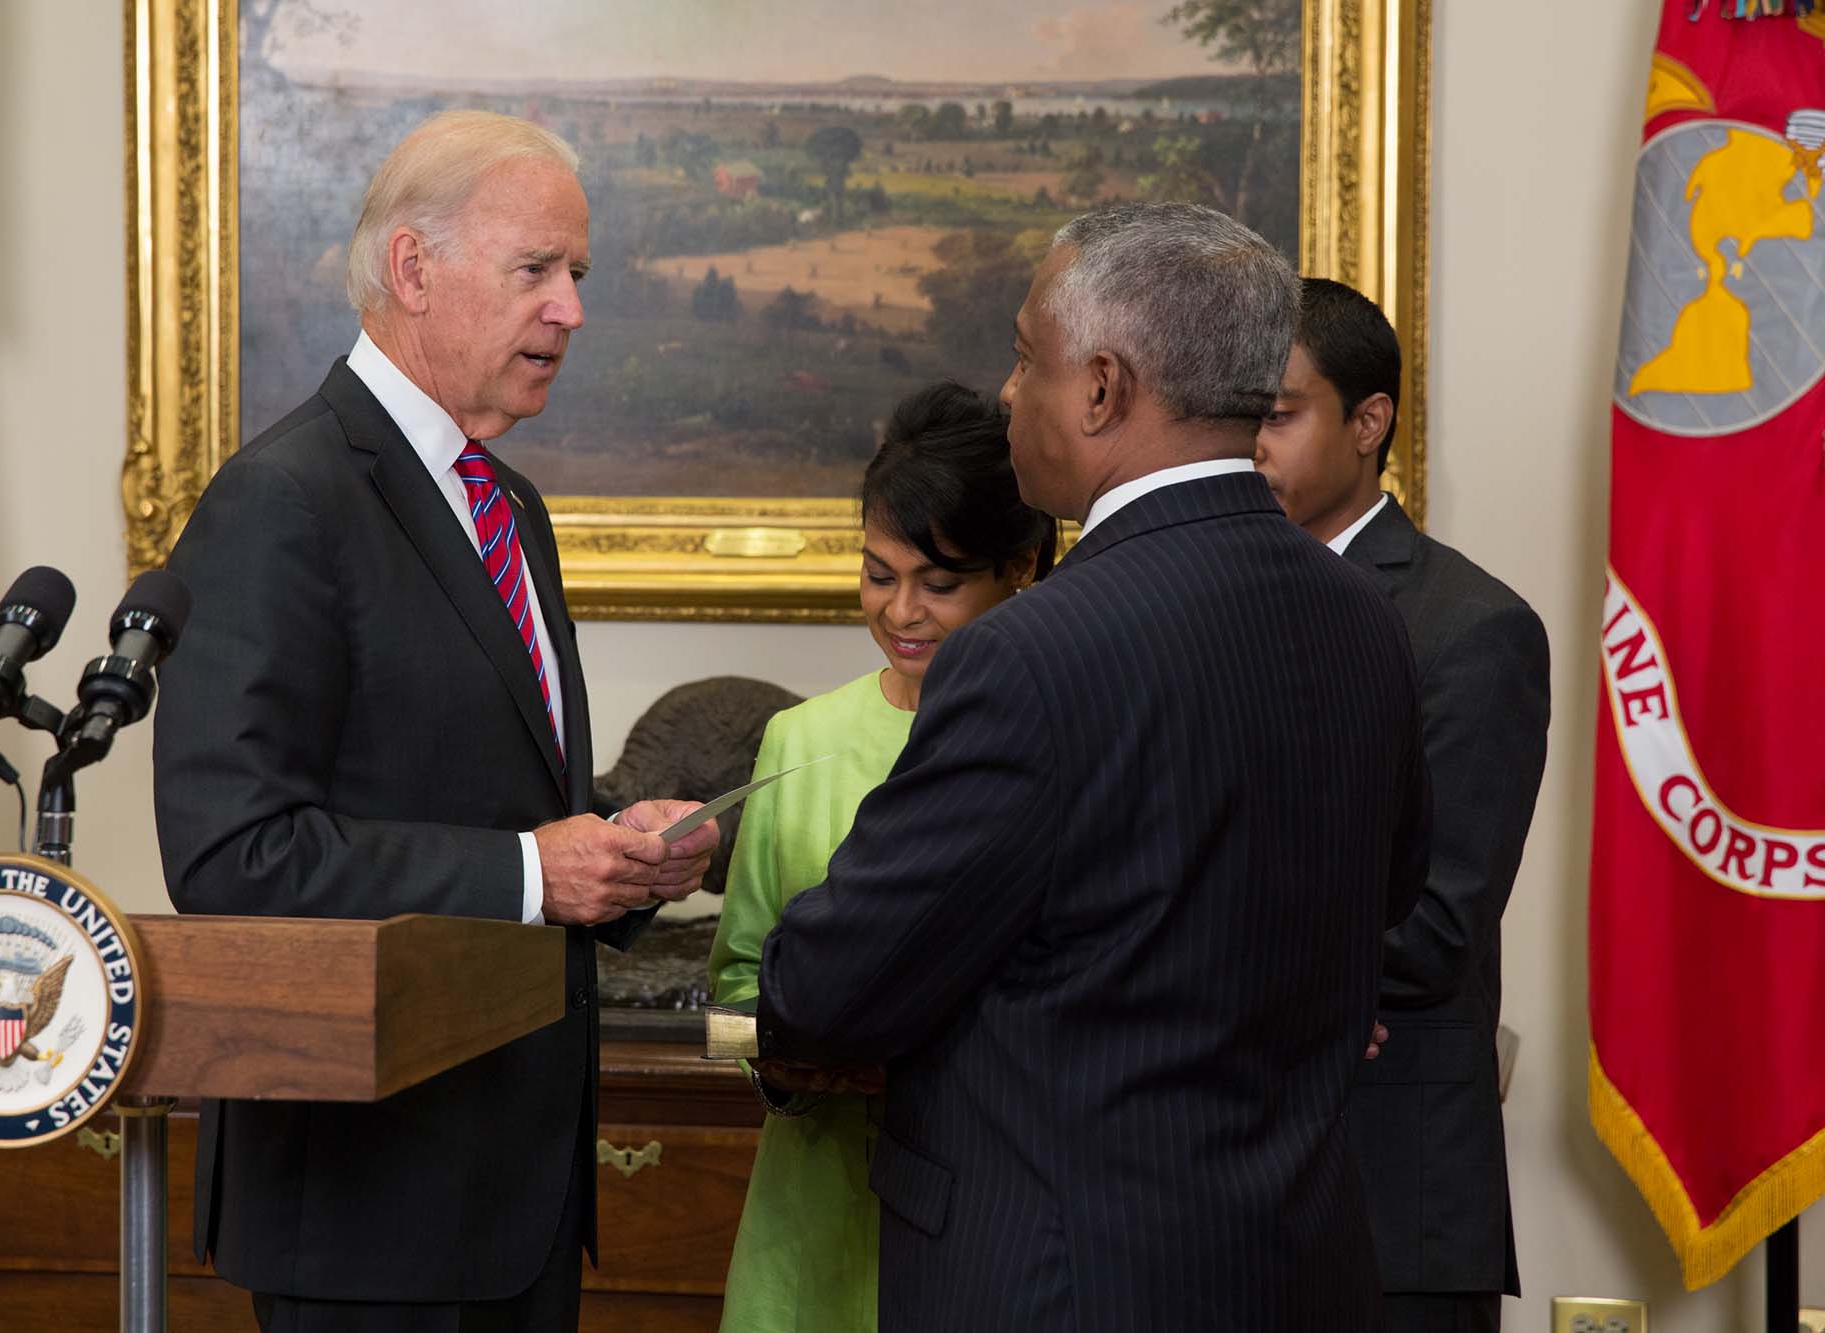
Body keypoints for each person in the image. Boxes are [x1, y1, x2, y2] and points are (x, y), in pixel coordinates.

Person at [745, 201, 1433, 1332]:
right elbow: (1384, 897)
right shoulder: (1362, 616)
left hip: (1061, 1283)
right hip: (1295, 1270)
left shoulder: (1028, 654)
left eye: (1026, 358)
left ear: (1101, 389)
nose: (1009, 390)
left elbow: (830, 987)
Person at [152, 110, 718, 1332]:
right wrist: (533, 869)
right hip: (368, 1211)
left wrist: (619, 852)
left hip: (518, 1202)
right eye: (537, 272)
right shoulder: (281, 499)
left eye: (578, 276)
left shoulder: (507, 503)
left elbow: (496, 811)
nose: (570, 310)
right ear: (413, 269)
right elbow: (229, 854)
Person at [708, 381, 1056, 1333]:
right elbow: (735, 986)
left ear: (1019, 568)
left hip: (987, 1224)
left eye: (938, 584)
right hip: (812, 1219)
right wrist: (785, 1063)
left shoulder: (1059, 740)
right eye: (876, 572)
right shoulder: (797, 740)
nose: (901, 612)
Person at [1255, 277, 1549, 1333]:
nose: (1248, 441)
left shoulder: (1467, 629)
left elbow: (1431, 930)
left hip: (1387, 1196)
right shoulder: (1200, 604)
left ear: (1366, 422)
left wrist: (1210, 957)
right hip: (1211, 1197)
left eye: (1277, 414)